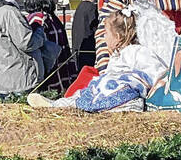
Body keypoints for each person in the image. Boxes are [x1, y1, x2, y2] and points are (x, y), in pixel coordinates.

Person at [29, 6, 169, 111]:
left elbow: (158, 72)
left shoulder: (137, 51)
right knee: (87, 91)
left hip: (125, 90)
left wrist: (156, 88)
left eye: (106, 33)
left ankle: (123, 107)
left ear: (118, 37)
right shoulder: (116, 56)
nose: (104, 37)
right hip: (106, 86)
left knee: (105, 89)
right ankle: (56, 105)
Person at [0, 0, 50, 95]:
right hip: (20, 78)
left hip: (5, 76)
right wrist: (40, 31)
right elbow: (26, 43)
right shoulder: (10, 12)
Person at [23, 0, 76, 94]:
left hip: (61, 69)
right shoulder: (37, 19)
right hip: (49, 72)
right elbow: (34, 46)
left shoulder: (52, 17)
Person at [71, 0, 101, 70]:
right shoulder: (92, 9)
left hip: (78, 54)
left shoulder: (80, 7)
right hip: (89, 55)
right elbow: (97, 31)